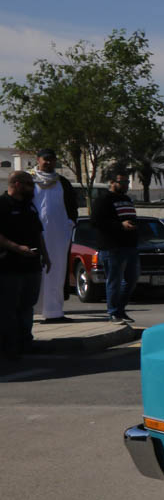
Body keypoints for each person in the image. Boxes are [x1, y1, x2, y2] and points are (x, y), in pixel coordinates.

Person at [1, 171, 50, 359]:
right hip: (10, 266)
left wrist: (46, 255)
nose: (33, 188)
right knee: (9, 308)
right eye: (30, 184)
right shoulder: (3, 205)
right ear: (18, 184)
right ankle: (10, 346)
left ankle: (26, 342)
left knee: (27, 306)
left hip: (32, 266)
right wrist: (17, 248)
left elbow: (38, 232)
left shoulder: (30, 206)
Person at [28, 147, 77, 323]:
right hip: (33, 234)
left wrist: (70, 223)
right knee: (33, 272)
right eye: (45, 159)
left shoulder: (62, 182)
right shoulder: (28, 179)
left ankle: (54, 312)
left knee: (56, 271)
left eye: (51, 159)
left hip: (58, 235)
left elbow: (72, 206)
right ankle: (31, 312)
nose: (48, 163)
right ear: (38, 159)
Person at [90, 171, 140, 323]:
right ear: (112, 183)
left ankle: (120, 310)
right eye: (122, 182)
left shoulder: (126, 199)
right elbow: (96, 222)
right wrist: (120, 225)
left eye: (127, 183)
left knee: (131, 279)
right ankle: (113, 312)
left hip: (130, 246)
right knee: (114, 280)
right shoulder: (103, 200)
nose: (126, 185)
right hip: (112, 247)